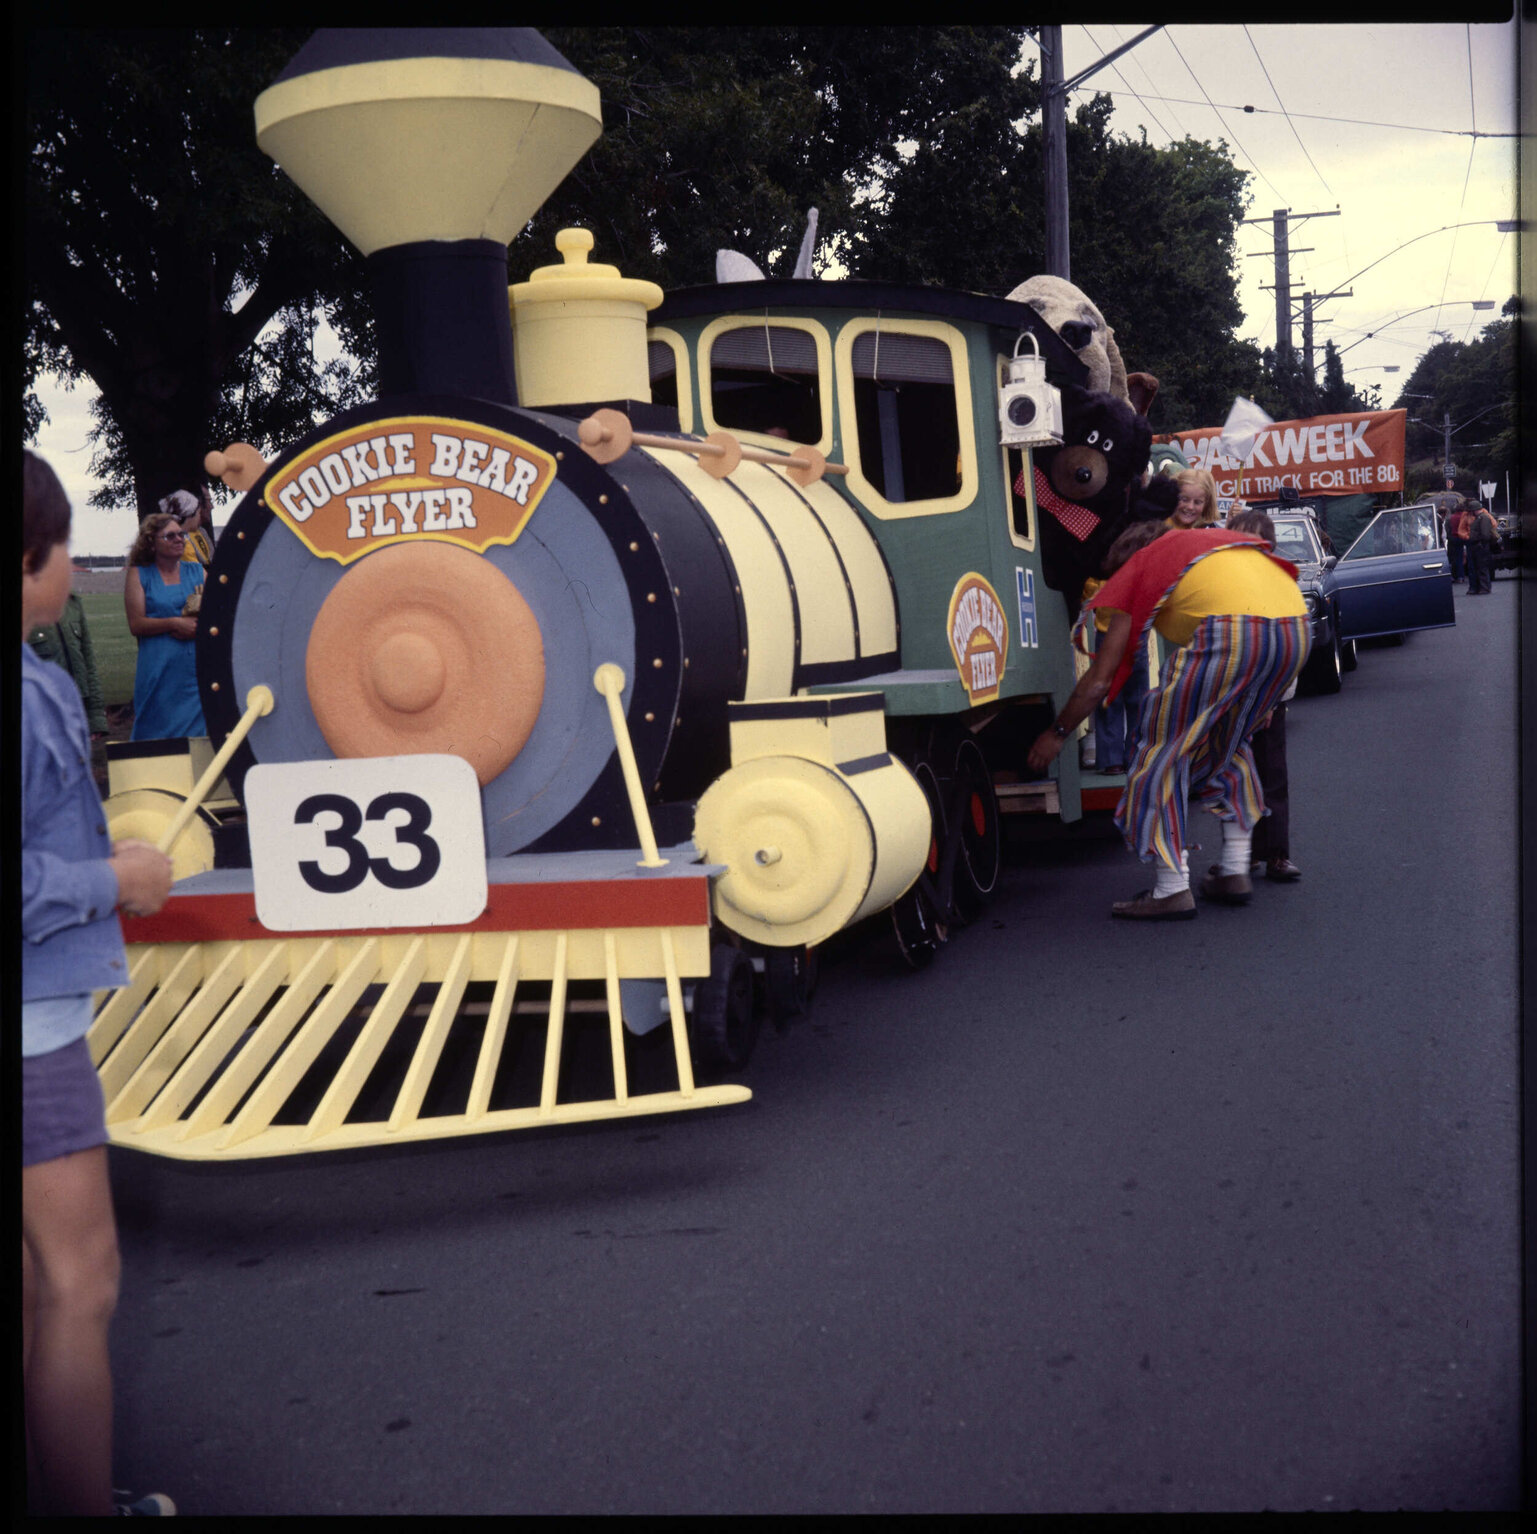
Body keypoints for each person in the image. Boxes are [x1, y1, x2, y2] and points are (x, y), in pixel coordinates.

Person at [22, 450, 177, 1517]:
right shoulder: (32, 697)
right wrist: (112, 876)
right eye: (62, 548)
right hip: (30, 1033)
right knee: (82, 1281)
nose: (72, 567)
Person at [1026, 517, 1310, 920]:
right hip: (1294, 630)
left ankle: (1171, 887)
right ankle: (1233, 869)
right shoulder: (1209, 545)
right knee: (1226, 744)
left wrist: (1057, 733)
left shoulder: (1145, 564)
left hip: (1235, 632)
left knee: (1158, 751)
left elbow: (1099, 680)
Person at [1227, 509, 1301, 882]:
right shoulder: (1223, 583)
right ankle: (1240, 855)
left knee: (1272, 777)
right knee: (1234, 777)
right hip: (1230, 697)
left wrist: (1271, 700)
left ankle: (1276, 854)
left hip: (1268, 698)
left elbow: (1289, 649)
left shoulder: (1279, 584)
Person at [125, 511, 205, 740]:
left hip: (193, 671)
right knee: (153, 731)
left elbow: (219, 616)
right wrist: (173, 623)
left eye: (181, 534)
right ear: (151, 543)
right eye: (170, 536)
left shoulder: (198, 572)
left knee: (197, 737)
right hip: (158, 669)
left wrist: (195, 627)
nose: (180, 539)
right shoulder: (139, 575)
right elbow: (136, 624)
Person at [161, 488, 215, 569]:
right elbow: (197, 575)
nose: (212, 506)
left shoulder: (201, 532)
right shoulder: (181, 543)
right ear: (190, 514)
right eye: (198, 512)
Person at [1465, 500, 1498, 594]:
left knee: (1482, 567)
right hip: (1479, 546)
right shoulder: (1480, 517)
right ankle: (1482, 587)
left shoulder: (1483, 518)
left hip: (1481, 546)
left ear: (1474, 510)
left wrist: (1478, 541)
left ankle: (1485, 588)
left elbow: (1485, 534)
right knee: (1479, 567)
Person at [1446, 498, 1471, 585]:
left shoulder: (1451, 518)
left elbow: (1448, 530)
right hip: (1465, 537)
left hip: (1455, 539)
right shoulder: (1465, 517)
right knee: (1470, 557)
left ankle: (1459, 576)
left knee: (1457, 558)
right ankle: (1468, 575)